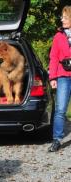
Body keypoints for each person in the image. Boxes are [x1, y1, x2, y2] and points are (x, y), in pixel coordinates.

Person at [48, 5, 71, 152]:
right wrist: (53, 77)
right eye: (62, 17)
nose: (62, 19)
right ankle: (57, 139)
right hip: (63, 76)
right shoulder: (58, 36)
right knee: (60, 109)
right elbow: (53, 57)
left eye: (65, 17)